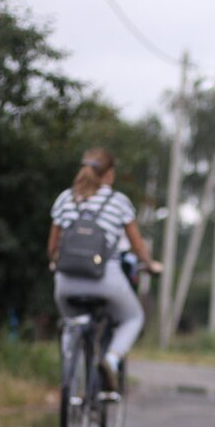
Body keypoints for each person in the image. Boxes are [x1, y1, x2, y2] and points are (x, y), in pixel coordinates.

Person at [47, 147, 162, 379]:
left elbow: (52, 248)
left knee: (71, 321)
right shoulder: (118, 202)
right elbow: (137, 245)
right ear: (110, 174)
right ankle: (110, 359)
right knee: (133, 318)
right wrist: (150, 264)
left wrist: (54, 261)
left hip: (66, 282)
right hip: (105, 279)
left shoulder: (64, 199)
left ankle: (70, 373)